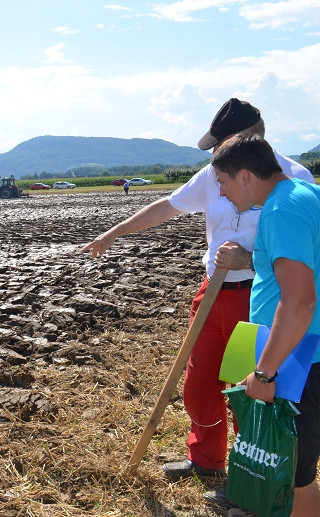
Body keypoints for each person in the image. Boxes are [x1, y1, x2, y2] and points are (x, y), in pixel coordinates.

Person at [81, 98, 314, 481]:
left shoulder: (292, 179)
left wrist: (247, 258)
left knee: (248, 385)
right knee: (200, 380)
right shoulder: (213, 174)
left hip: (257, 298)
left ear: (246, 139)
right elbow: (169, 205)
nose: (215, 157)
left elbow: (300, 256)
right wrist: (115, 232)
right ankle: (206, 460)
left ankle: (250, 472)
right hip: (213, 292)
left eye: (221, 144)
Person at [212, 133, 320, 517]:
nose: (221, 192)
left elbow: (299, 301)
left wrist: (265, 372)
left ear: (244, 175)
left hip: (298, 360)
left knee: (294, 475)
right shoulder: (306, 194)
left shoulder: (280, 211)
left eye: (223, 182)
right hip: (302, 352)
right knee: (295, 468)